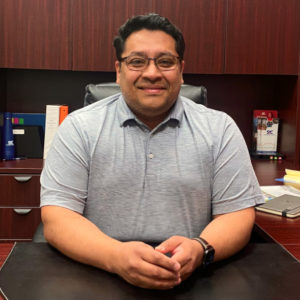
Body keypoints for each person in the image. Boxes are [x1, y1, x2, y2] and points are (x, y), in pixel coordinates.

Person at [40, 13, 264, 290]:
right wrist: (115, 256)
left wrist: (201, 248)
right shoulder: (79, 128)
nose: (152, 73)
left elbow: (237, 214)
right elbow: (58, 217)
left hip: (192, 273)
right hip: (98, 268)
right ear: (118, 70)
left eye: (165, 61)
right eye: (136, 62)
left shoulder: (219, 128)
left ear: (181, 70)